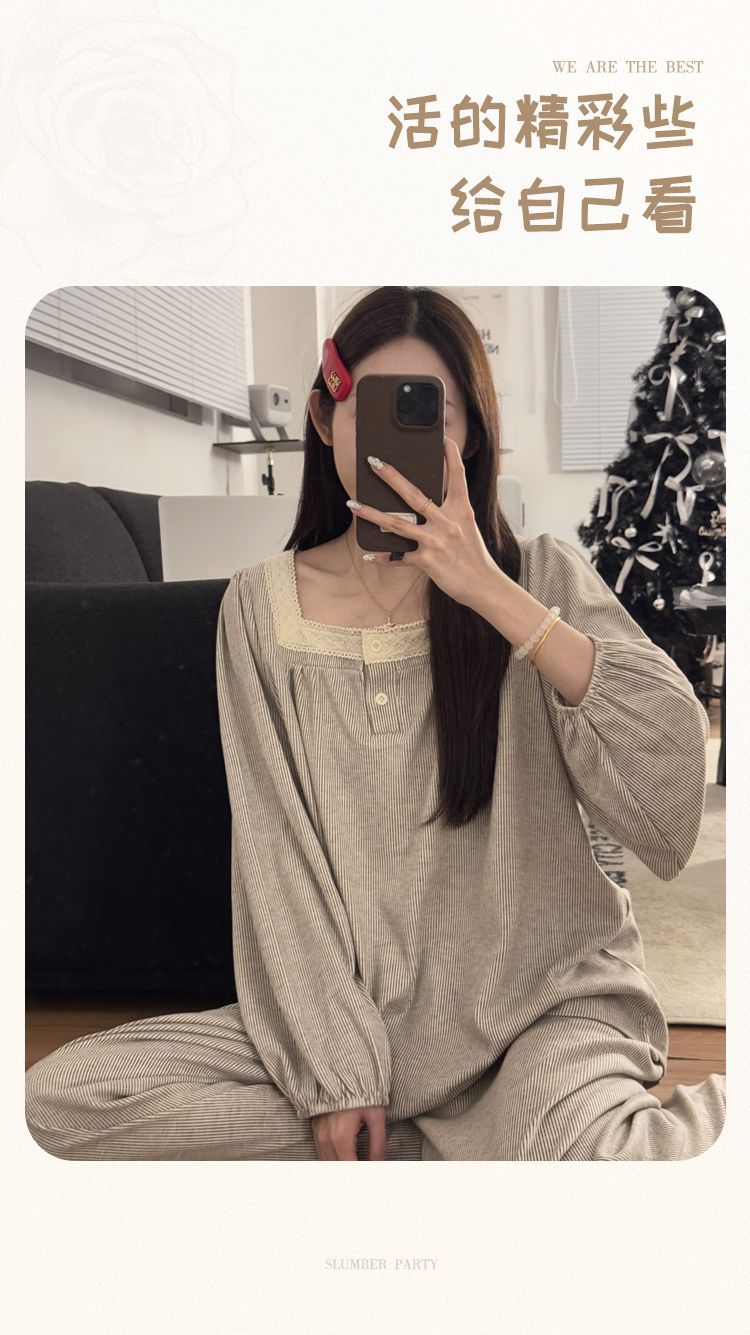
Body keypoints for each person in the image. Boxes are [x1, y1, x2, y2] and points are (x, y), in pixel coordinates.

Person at [25, 286, 726, 1161]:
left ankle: (467, 1141)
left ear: (472, 435)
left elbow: (668, 804)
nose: (399, 443)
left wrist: (494, 594)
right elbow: (276, 850)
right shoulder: (260, 607)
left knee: (625, 1164)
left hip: (540, 1009)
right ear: (326, 419)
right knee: (59, 1104)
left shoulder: (539, 576)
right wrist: (338, 1070)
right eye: (373, 409)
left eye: (431, 413)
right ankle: (458, 1147)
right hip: (353, 1020)